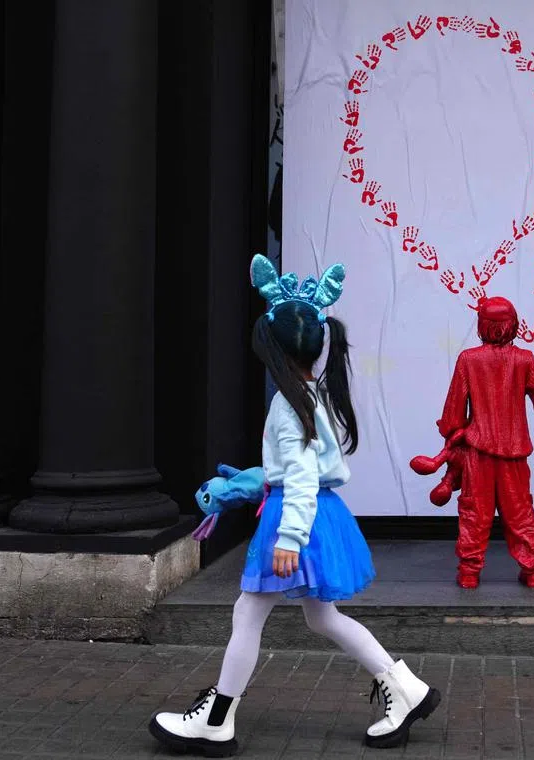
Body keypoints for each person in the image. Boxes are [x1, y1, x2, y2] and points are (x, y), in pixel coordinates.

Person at [149, 256, 439, 757]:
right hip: (314, 516)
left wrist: (289, 538)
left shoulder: (289, 405)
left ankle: (217, 721)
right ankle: (406, 688)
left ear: (272, 350)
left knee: (249, 613)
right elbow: (298, 470)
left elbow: (301, 477)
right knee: (320, 618)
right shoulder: (308, 395)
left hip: (295, 519)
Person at [436, 296, 534, 589]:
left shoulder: (468, 359)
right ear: (514, 325)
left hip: (478, 452)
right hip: (514, 454)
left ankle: (469, 572)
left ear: (482, 326)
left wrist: (450, 434)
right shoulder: (524, 360)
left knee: (474, 513)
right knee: (520, 513)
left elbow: (454, 410)